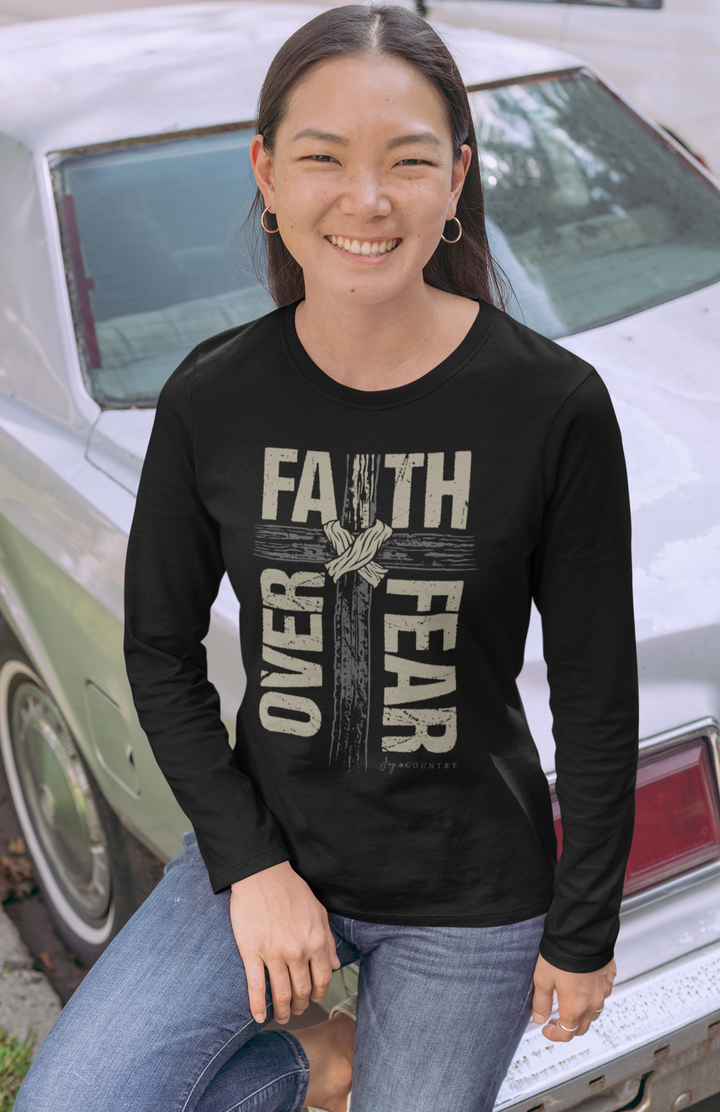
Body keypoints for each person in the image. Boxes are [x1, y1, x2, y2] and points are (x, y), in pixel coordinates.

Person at [16, 6, 638, 1111]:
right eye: (323, 158)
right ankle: (319, 1058)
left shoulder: (551, 406)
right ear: (266, 172)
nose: (367, 198)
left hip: (469, 896)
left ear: (457, 177)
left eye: (408, 160)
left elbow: (596, 693)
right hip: (272, 847)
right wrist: (252, 868)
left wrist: (582, 929)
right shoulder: (213, 397)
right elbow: (159, 652)